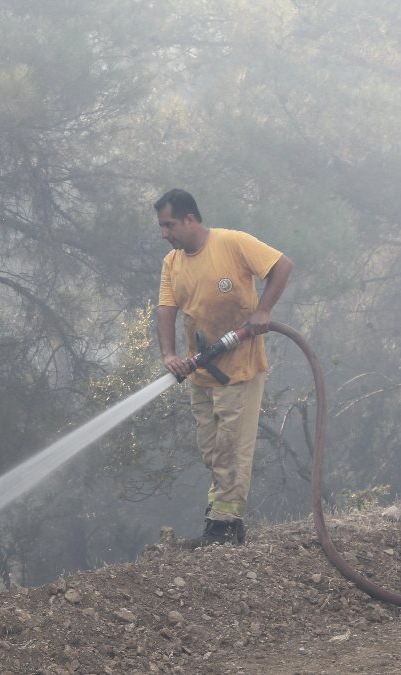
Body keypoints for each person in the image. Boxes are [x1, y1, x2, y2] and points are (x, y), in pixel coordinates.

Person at [155, 188, 293, 548]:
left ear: (190, 219)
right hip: (200, 371)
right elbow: (166, 308)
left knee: (232, 447)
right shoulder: (172, 263)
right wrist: (169, 354)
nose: (164, 233)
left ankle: (225, 526)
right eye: (161, 226)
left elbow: (282, 265)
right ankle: (220, 517)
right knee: (212, 449)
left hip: (240, 367)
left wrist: (263, 311)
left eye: (169, 225)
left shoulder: (232, 243)